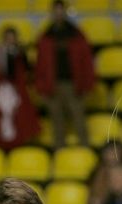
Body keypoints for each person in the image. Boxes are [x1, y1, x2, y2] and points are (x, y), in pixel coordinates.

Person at [34, 0, 96, 149]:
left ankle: (85, 151)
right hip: (52, 85)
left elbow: (86, 61)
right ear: (52, 13)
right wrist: (42, 87)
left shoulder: (77, 34)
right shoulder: (46, 36)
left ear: (65, 12)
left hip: (73, 85)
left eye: (61, 10)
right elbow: (40, 64)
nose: (58, 14)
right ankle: (59, 154)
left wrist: (87, 84)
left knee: (79, 120)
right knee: (57, 122)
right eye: (56, 11)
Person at [0, 26, 40, 149]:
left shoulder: (20, 51)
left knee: (21, 113)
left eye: (12, 37)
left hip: (18, 87)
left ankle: (22, 139)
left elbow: (26, 67)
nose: (10, 40)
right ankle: (1, 141)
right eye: (8, 37)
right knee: (1, 113)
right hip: (4, 86)